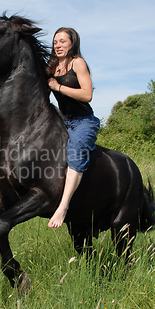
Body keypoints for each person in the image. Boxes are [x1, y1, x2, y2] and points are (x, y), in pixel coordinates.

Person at [47, 27, 100, 228]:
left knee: (76, 149)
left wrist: (58, 87)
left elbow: (87, 95)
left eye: (62, 41)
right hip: (63, 120)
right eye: (55, 42)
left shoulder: (77, 63)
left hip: (84, 121)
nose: (58, 45)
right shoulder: (51, 67)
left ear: (72, 43)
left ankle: (63, 207)